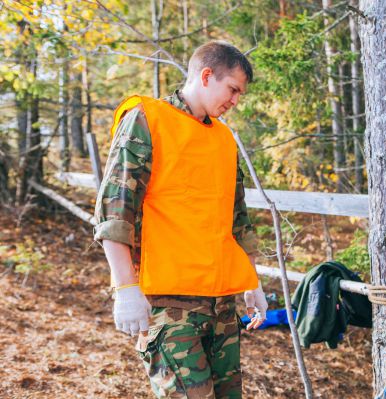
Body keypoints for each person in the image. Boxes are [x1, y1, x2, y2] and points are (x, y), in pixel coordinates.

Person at [93, 41, 267, 399]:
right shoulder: (147, 119)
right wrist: (125, 289)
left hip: (221, 302)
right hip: (169, 305)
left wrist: (253, 282)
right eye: (232, 89)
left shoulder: (224, 139)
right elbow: (115, 210)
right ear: (206, 76)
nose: (235, 101)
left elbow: (237, 220)